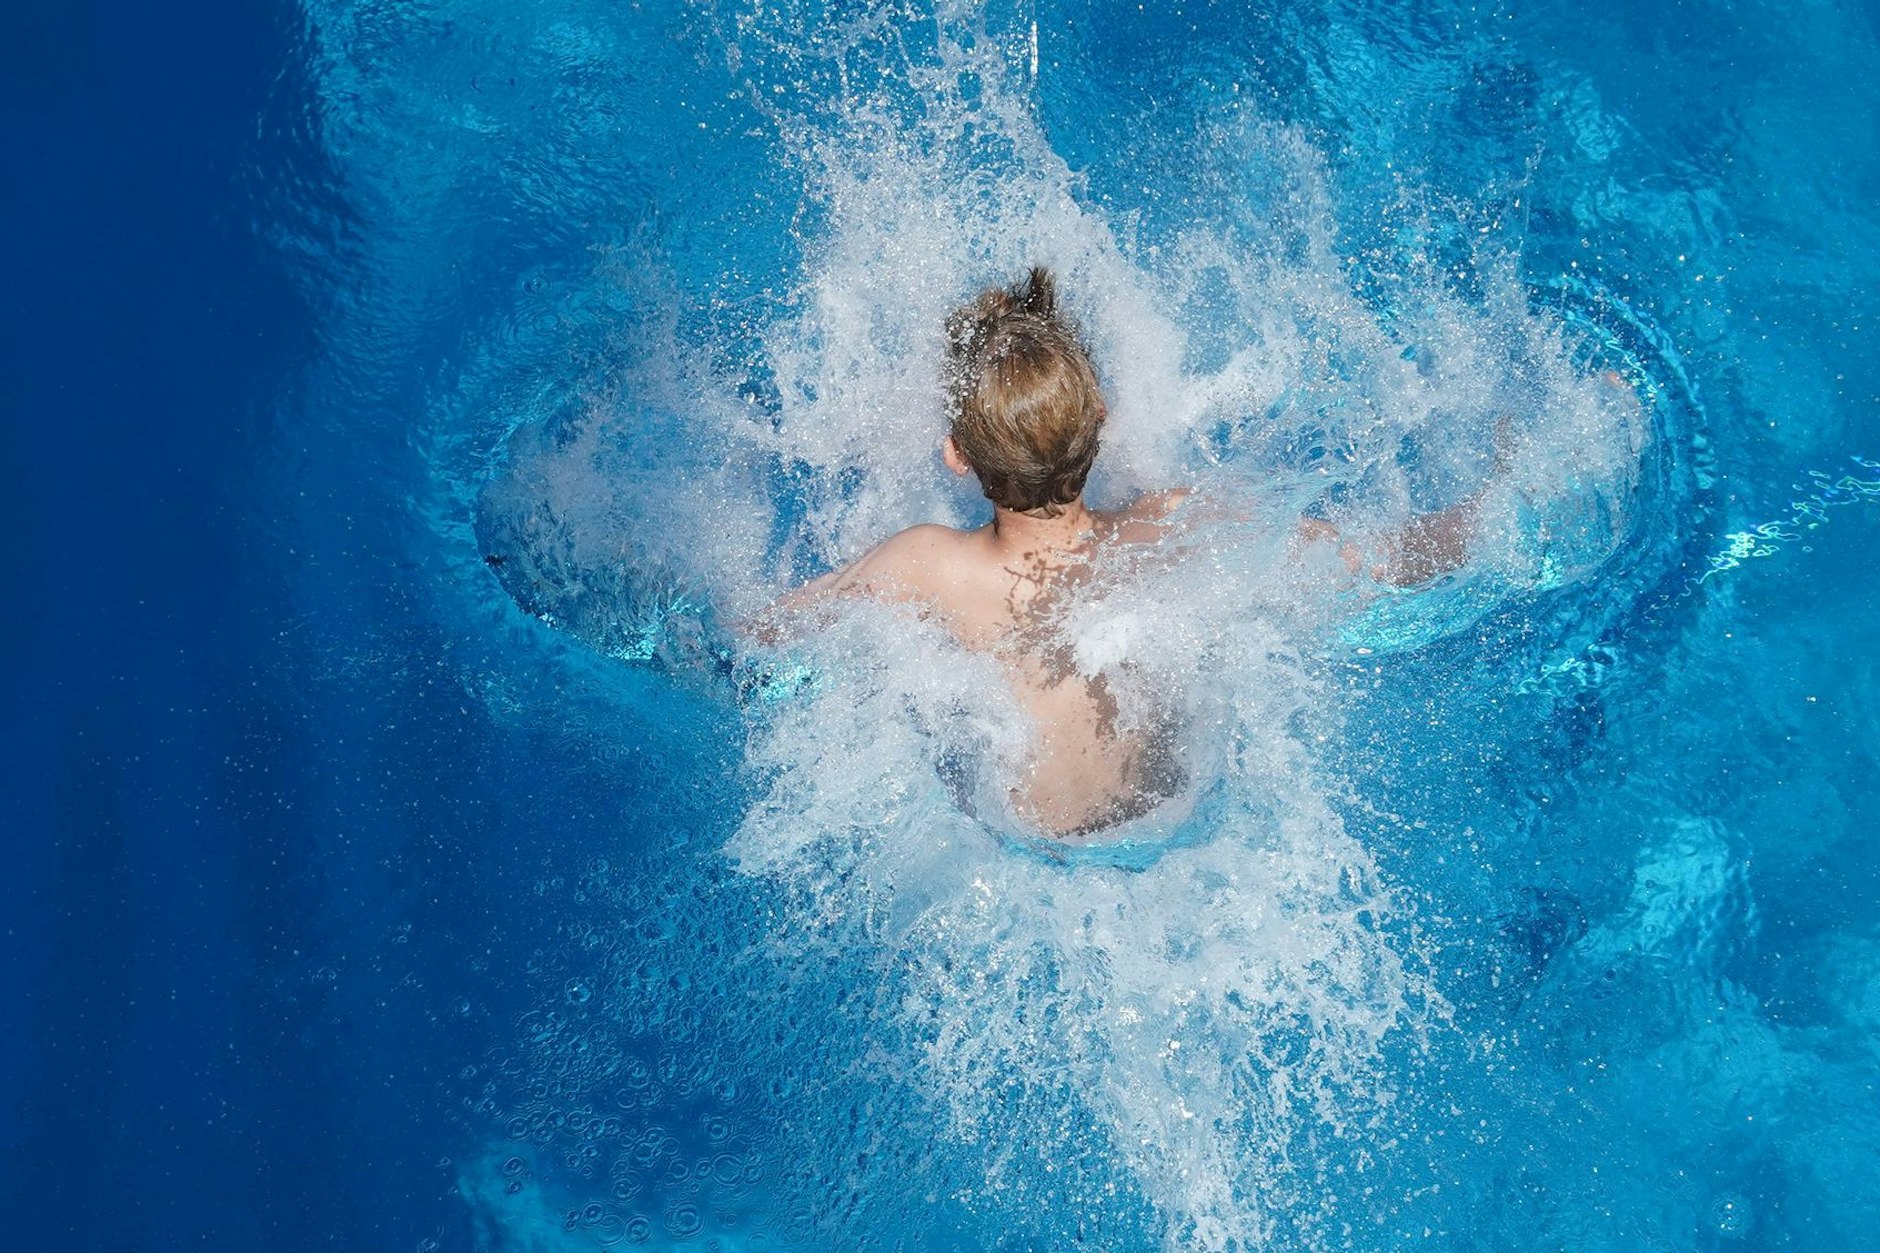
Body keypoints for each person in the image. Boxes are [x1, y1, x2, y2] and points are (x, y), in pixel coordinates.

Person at [759, 266, 1495, 837]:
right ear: (1101, 416)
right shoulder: (1172, 525)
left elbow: (762, 644)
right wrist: (1487, 512)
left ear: (957, 455)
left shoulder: (925, 565)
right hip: (1179, 827)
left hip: (1024, 851)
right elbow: (1374, 562)